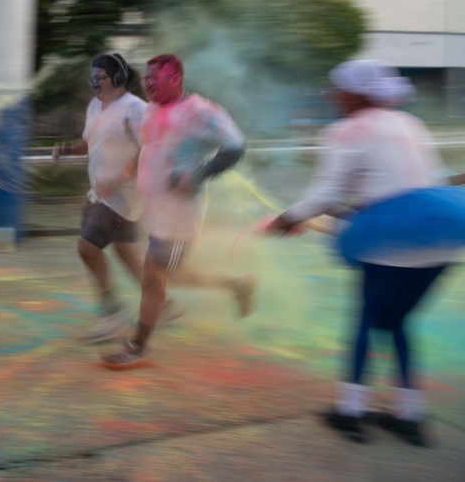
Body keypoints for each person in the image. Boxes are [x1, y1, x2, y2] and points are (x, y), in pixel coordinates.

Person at [262, 59, 461, 446]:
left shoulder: (346, 130)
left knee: (368, 319)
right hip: (444, 231)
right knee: (399, 321)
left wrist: (287, 219)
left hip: (396, 237)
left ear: (355, 93)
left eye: (337, 88)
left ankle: (350, 411)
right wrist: (349, 210)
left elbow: (329, 193)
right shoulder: (409, 123)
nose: (332, 95)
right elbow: (417, 182)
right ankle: (410, 415)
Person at [101, 53, 254, 370]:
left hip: (179, 213)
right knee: (173, 274)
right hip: (155, 209)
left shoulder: (200, 110)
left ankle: (137, 347)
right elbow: (150, 145)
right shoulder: (154, 108)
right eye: (146, 79)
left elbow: (235, 146)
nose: (148, 84)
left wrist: (198, 174)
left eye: (154, 79)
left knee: (153, 275)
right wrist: (127, 171)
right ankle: (236, 285)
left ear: (175, 79)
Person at [53, 53, 163, 342]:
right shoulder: (95, 106)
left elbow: (150, 151)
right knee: (126, 252)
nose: (93, 83)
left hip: (123, 195)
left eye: (99, 76)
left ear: (117, 78)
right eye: (92, 77)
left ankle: (111, 314)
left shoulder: (135, 108)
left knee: (87, 249)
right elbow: (87, 143)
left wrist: (119, 180)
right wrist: (65, 149)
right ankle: (161, 303)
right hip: (99, 192)